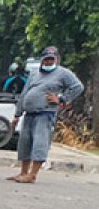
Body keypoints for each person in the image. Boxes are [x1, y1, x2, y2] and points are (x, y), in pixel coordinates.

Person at [11, 46, 84, 185]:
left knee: (40, 143)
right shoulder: (34, 73)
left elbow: (78, 87)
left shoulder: (63, 73)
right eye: (46, 59)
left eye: (52, 59)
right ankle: (23, 172)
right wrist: (17, 114)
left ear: (56, 59)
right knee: (24, 143)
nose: (49, 61)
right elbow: (24, 93)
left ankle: (33, 175)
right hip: (29, 113)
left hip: (45, 113)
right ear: (42, 60)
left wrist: (61, 99)